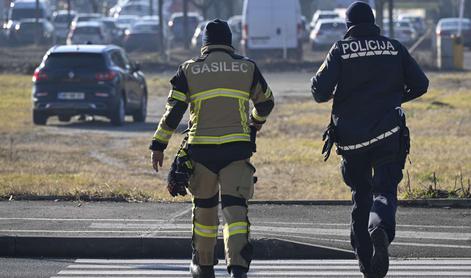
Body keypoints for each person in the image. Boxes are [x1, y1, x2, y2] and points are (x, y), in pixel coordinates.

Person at [310, 2, 428, 278]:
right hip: (388, 133)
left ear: (348, 25)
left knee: (360, 196)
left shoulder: (341, 49)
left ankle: (366, 266)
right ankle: (380, 228)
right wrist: (394, 98)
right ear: (374, 22)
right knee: (384, 191)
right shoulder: (394, 47)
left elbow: (318, 91)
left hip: (352, 140)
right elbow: (421, 84)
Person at [150, 19, 274, 278]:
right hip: (236, 151)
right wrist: (255, 123)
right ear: (229, 42)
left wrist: (158, 145)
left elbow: (174, 112)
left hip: (201, 152)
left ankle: (203, 266)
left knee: (205, 212)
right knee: (235, 212)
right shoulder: (246, 67)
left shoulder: (189, 70)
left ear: (204, 43)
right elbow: (266, 103)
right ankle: (238, 268)